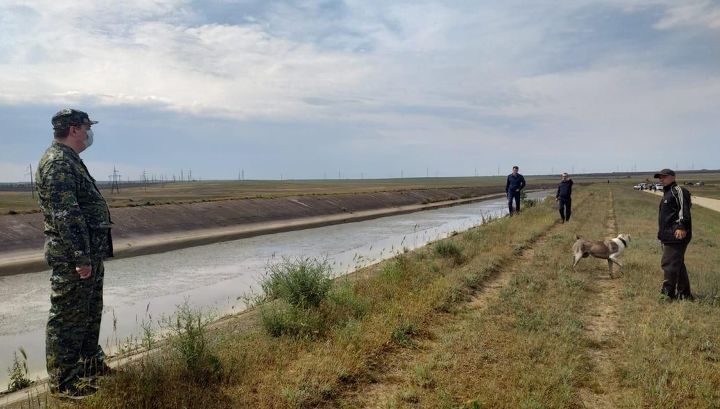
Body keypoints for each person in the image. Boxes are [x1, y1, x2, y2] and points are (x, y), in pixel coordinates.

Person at [36, 109, 114, 398]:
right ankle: (63, 383)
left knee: (89, 314)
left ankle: (90, 366)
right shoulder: (57, 163)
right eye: (86, 127)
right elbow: (66, 216)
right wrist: (81, 257)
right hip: (73, 257)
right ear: (73, 129)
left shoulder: (71, 161)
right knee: (67, 319)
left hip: (88, 255)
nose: (89, 132)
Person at [654, 168, 694, 301]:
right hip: (669, 235)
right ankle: (684, 294)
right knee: (678, 264)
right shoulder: (667, 193)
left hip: (677, 235)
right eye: (660, 177)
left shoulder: (679, 191)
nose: (661, 179)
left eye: (664, 177)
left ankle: (667, 295)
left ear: (673, 177)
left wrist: (681, 226)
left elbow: (684, 209)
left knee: (668, 263)